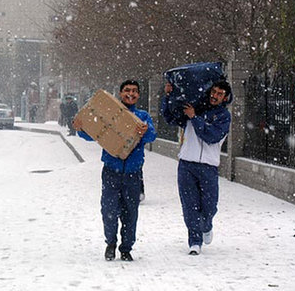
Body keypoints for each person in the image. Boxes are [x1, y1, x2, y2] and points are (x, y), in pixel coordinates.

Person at [73, 80, 156, 261]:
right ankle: (110, 243)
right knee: (109, 210)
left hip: (133, 174)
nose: (130, 94)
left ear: (139, 95)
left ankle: (126, 248)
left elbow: (152, 136)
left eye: (134, 91)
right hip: (111, 171)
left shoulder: (142, 116)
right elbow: (95, 132)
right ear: (120, 93)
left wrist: (145, 130)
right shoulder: (110, 112)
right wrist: (80, 128)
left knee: (130, 212)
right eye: (127, 90)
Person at [161, 79, 232, 256]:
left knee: (209, 206)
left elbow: (211, 135)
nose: (215, 96)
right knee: (189, 205)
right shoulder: (194, 108)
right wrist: (169, 96)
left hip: (209, 167)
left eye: (219, 94)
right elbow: (171, 117)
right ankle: (194, 241)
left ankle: (206, 226)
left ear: (225, 97)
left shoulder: (223, 117)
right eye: (213, 92)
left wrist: (195, 118)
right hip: (186, 164)